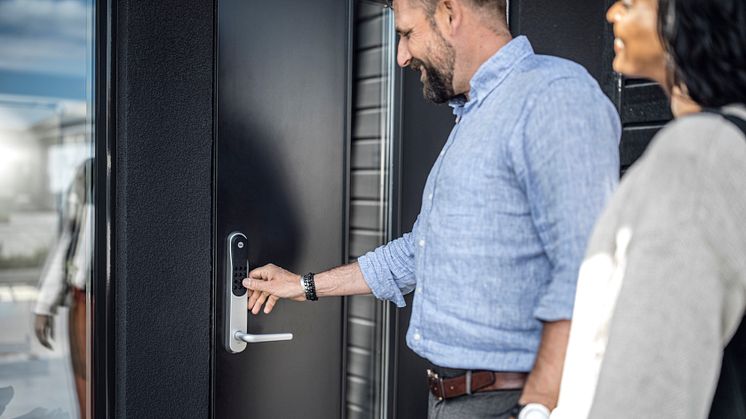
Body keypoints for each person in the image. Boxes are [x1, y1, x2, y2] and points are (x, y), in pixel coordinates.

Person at [245, 0, 620, 417]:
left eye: (406, 34)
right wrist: (304, 285)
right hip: (454, 401)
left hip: (513, 402)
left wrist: (542, 407)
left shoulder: (553, 96)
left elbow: (587, 268)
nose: (402, 56)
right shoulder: (475, 114)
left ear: (449, 13)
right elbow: (418, 251)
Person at [553, 0, 746, 417]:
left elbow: (649, 390)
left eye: (632, 2)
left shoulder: (697, 158)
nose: (612, 13)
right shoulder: (731, 147)